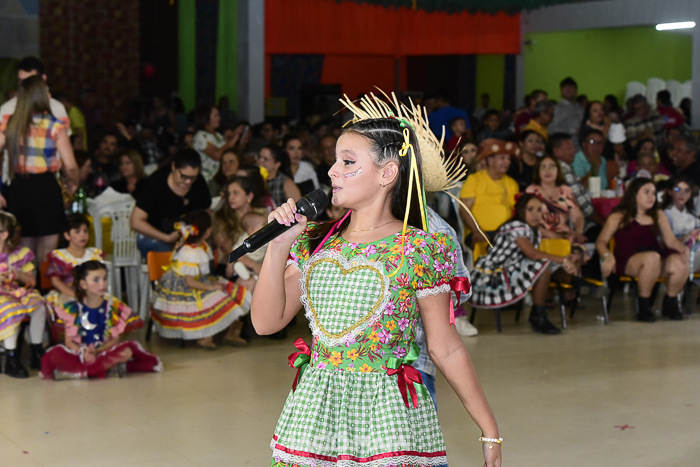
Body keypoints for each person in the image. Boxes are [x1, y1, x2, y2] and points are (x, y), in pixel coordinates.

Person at [254, 113, 500, 466]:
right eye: (335, 160)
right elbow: (266, 323)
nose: (332, 171)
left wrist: (489, 429)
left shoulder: (417, 249)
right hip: (315, 413)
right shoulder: (317, 241)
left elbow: (445, 347)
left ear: (387, 173)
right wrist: (278, 247)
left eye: (347, 162)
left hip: (386, 414)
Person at [470, 194, 578, 334]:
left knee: (548, 264)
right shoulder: (516, 226)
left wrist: (564, 259)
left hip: (509, 269)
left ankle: (574, 280)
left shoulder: (532, 229)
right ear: (521, 211)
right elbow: (532, 254)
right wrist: (563, 259)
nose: (535, 214)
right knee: (543, 264)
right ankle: (538, 316)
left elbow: (538, 251)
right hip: (493, 276)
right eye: (530, 209)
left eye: (539, 210)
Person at [0, 76, 78, 265]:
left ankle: (25, 284)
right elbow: (70, 166)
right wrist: (73, 184)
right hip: (46, 188)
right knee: (47, 255)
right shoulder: (55, 125)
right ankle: (43, 284)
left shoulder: (10, 124)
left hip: (18, 188)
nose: (49, 94)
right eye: (47, 91)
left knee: (23, 252)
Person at [41, 260, 162, 380]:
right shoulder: (73, 309)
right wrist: (83, 352)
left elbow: (114, 340)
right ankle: (104, 368)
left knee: (127, 352)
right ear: (83, 284)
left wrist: (98, 351)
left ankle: (83, 371)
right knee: (55, 355)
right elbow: (69, 342)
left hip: (103, 352)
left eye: (104, 278)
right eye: (96, 280)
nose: (102, 284)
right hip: (80, 353)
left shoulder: (112, 307)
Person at [152, 210, 251, 348]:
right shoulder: (190, 253)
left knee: (231, 291)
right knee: (215, 298)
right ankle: (205, 336)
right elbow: (189, 282)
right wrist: (211, 287)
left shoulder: (200, 246)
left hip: (198, 280)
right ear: (208, 232)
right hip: (185, 288)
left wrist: (212, 284)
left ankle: (232, 333)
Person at [596, 178, 689, 322]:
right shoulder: (619, 216)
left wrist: (683, 249)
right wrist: (607, 255)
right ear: (634, 194)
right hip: (629, 258)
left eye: (654, 193)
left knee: (680, 261)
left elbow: (670, 240)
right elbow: (601, 241)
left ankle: (670, 301)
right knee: (652, 258)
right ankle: (644, 306)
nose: (651, 197)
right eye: (646, 192)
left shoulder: (658, 214)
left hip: (655, 256)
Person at [131, 148, 211, 257]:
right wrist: (166, 238)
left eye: (192, 178)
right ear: (173, 167)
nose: (188, 182)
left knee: (205, 254)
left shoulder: (199, 182)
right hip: (155, 236)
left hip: (189, 237)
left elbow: (206, 211)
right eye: (183, 176)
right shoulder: (155, 183)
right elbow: (136, 221)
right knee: (175, 257)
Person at [0, 212, 48, 377]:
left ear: (4, 234)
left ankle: (37, 350)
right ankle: (11, 357)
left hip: (15, 291)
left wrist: (17, 274)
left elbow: (32, 281)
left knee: (39, 305)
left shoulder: (19, 253)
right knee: (10, 308)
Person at [459, 139, 519, 245]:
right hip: (479, 232)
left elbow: (515, 212)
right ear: (490, 161)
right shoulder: (474, 179)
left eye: (509, 159)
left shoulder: (512, 183)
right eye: (502, 158)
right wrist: (477, 230)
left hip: (506, 233)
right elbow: (464, 209)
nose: (507, 162)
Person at [212, 175, 269, 278]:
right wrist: (254, 265)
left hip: (261, 261)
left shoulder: (261, 214)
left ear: (249, 196)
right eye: (229, 194)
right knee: (251, 282)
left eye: (236, 193)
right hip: (231, 265)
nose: (231, 197)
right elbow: (228, 250)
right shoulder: (221, 217)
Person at [526, 154, 586, 245]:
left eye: (551, 166)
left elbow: (577, 216)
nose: (547, 171)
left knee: (579, 250)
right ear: (538, 171)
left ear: (558, 170)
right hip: (541, 237)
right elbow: (528, 220)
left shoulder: (566, 190)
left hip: (565, 237)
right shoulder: (531, 191)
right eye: (543, 167)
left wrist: (578, 232)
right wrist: (550, 234)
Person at [192, 105, 242, 181]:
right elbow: (217, 155)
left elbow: (228, 151)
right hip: (207, 179)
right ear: (206, 118)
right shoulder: (201, 136)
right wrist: (235, 137)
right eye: (216, 116)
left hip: (220, 178)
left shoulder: (218, 135)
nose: (219, 118)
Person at [662, 176, 700, 273]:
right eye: (677, 189)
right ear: (670, 192)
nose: (682, 194)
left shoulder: (692, 216)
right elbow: (664, 244)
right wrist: (688, 236)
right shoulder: (664, 215)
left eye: (687, 191)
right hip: (673, 255)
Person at [548, 77, 584, 146]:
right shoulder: (555, 108)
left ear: (576, 91)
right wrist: (572, 130)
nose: (568, 90)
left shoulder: (581, 109)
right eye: (565, 87)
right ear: (561, 91)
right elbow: (551, 130)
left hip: (580, 146)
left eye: (571, 87)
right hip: (563, 146)